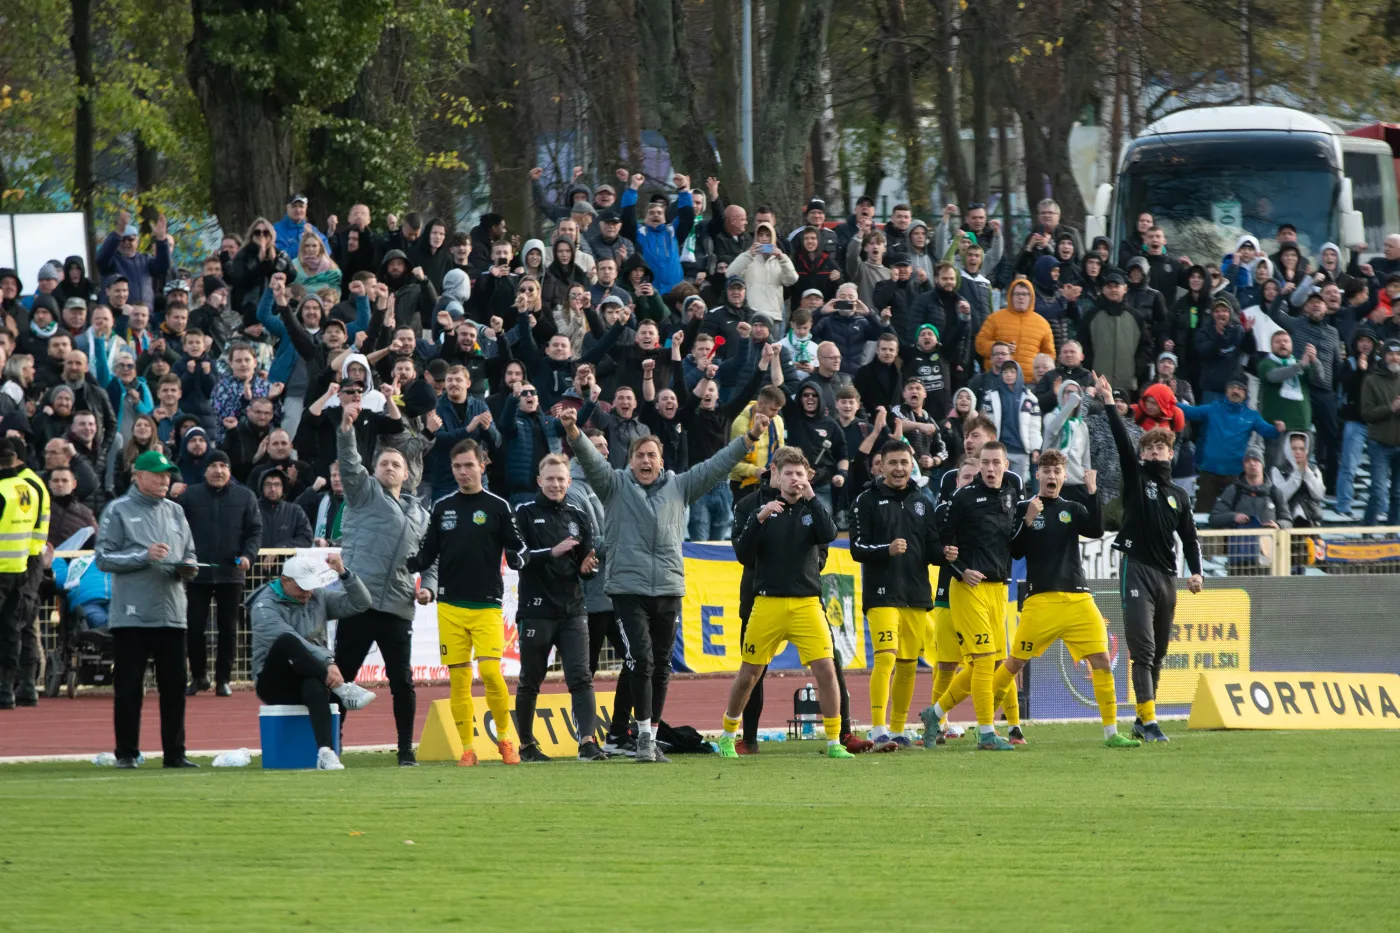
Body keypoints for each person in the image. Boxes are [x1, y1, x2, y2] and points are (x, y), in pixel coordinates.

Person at [561, 404, 763, 763]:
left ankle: (651, 736)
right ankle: (639, 737)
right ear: (631, 460)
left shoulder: (680, 486)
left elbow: (716, 465)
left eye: (651, 455)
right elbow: (592, 462)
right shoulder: (614, 485)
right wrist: (575, 434)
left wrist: (747, 439)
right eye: (639, 455)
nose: (645, 460)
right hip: (627, 589)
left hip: (669, 588)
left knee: (662, 664)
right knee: (640, 659)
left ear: (661, 459)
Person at [718, 447, 853, 760]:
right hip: (767, 603)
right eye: (789, 473)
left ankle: (834, 741)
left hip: (807, 604)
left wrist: (813, 499)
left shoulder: (812, 507)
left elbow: (829, 534)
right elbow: (743, 554)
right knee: (749, 674)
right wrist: (759, 519)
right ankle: (728, 735)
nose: (795, 479)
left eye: (800, 474)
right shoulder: (759, 509)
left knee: (826, 670)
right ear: (776, 476)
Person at [1001, 452, 1139, 747]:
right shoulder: (1026, 507)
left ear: (1064, 477)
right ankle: (986, 723)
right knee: (1014, 663)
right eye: (1047, 471)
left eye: (1057, 471)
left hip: (1078, 599)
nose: (1052, 476)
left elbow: (1096, 529)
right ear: (1037, 475)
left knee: (1102, 659)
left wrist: (1093, 493)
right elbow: (1014, 551)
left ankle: (1111, 733)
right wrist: (1027, 521)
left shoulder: (1073, 508)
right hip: (1041, 601)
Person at [1096, 374, 1202, 743]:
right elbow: (1122, 443)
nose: (1155, 454)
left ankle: (1143, 721)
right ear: (1142, 455)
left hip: (1167, 576)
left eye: (1161, 450)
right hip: (1136, 569)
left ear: (1171, 454)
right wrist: (1110, 402)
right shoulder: (1138, 478)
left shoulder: (1179, 496)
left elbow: (1189, 537)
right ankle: (1150, 720)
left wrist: (1197, 572)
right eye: (1150, 450)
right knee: (1142, 649)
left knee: (1158, 652)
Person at [406, 439, 523, 766]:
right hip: (450, 605)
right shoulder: (442, 507)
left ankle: (504, 738)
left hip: (487, 604)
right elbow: (429, 552)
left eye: (469, 465)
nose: (462, 472)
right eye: (457, 467)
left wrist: (518, 557)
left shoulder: (498, 506)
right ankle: (467, 749)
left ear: (482, 466)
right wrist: (411, 564)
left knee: (489, 671)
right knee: (458, 678)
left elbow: (517, 546)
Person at [332, 400, 434, 767]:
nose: (389, 468)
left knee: (402, 682)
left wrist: (429, 587)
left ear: (407, 474)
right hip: (358, 602)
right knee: (341, 676)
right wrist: (346, 430)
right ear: (374, 471)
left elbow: (431, 558)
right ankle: (331, 744)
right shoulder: (363, 494)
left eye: (396, 464)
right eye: (383, 463)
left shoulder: (421, 514)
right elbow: (349, 463)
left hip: (398, 607)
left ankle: (406, 749)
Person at [93, 449, 200, 769]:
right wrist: (144, 555)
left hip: (172, 613)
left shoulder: (175, 512)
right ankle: (126, 752)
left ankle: (175, 753)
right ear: (138, 476)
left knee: (175, 689)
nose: (165, 480)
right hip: (132, 615)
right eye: (158, 475)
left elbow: (190, 552)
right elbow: (103, 558)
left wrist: (189, 567)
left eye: (168, 475)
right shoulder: (118, 510)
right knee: (128, 688)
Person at [511, 454, 607, 762]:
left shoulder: (578, 515)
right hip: (536, 609)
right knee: (530, 680)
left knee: (581, 677)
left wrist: (589, 567)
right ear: (539, 480)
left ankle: (588, 743)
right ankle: (526, 746)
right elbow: (518, 558)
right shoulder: (524, 512)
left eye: (560, 479)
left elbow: (585, 565)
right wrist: (551, 553)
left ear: (569, 481)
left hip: (573, 609)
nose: (555, 484)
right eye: (549, 478)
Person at [924, 441, 1020, 751]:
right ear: (978, 465)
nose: (991, 469)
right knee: (981, 661)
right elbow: (941, 546)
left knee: (990, 660)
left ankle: (934, 713)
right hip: (968, 589)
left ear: (1005, 465)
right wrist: (961, 570)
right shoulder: (963, 498)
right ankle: (987, 733)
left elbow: (1013, 542)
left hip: (998, 589)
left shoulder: (1010, 495)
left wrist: (1029, 519)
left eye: (996, 462)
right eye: (986, 463)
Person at [249, 551, 377, 771]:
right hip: (274, 682)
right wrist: (327, 663)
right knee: (286, 641)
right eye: (301, 587)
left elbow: (361, 603)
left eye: (310, 586)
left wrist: (343, 573)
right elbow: (292, 640)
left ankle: (326, 753)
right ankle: (341, 689)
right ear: (284, 581)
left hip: (310, 674)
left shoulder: (317, 596)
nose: (307, 592)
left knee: (314, 685)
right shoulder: (263, 606)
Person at [850, 441, 941, 750]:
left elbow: (931, 548)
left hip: (915, 593)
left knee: (907, 664)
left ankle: (899, 729)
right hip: (882, 594)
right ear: (881, 466)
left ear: (911, 464)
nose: (899, 468)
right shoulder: (866, 500)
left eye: (904, 462)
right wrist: (886, 550)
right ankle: (878, 729)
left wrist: (946, 554)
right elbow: (857, 548)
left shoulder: (923, 501)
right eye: (893, 463)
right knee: (886, 657)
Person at [179, 450, 261, 696]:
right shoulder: (190, 496)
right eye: (212, 465)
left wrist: (248, 556)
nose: (218, 470)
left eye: (222, 465)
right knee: (194, 627)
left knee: (228, 628)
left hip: (231, 573)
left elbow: (255, 531)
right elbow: (177, 530)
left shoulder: (245, 496)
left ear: (229, 470)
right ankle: (199, 676)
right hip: (197, 573)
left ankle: (223, 679)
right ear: (205, 470)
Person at [1180, 377, 1284, 512]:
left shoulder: (1252, 415)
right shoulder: (1213, 408)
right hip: (1210, 470)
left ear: (1246, 393)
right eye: (1232, 387)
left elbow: (1268, 432)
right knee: (1202, 513)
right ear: (1226, 391)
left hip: (1236, 473)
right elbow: (1190, 412)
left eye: (1240, 389)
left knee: (1236, 513)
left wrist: (1277, 429)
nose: (1235, 391)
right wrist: (1169, 399)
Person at [0, 440, 45, 709]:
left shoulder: (3, 490)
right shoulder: (28, 488)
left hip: (3, 570)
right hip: (21, 567)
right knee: (13, 631)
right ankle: (7, 690)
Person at [1360, 338, 1400, 526]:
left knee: (1398, 495)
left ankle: (1393, 538)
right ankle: (1365, 536)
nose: (1395, 358)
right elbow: (1366, 413)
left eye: (1398, 354)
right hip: (1379, 445)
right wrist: (1390, 408)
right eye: (1391, 354)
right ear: (1384, 356)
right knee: (1377, 493)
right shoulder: (1371, 380)